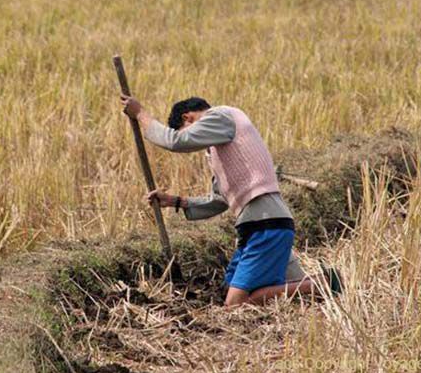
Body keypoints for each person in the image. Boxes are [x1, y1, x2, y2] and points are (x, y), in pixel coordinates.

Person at [120, 95, 342, 307]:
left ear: (188, 118)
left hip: (265, 224)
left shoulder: (220, 116)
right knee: (233, 289)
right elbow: (219, 201)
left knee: (235, 303)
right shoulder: (219, 147)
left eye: (189, 129)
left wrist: (140, 113)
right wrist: (176, 202)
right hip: (258, 224)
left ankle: (321, 285)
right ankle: (312, 286)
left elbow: (177, 141)